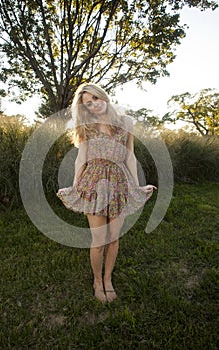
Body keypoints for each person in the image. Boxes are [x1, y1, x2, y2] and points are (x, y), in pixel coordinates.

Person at [57, 83, 157, 303]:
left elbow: (129, 156)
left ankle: (108, 278)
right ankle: (97, 280)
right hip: (94, 182)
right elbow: (81, 159)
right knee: (99, 240)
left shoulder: (126, 123)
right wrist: (75, 186)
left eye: (96, 98)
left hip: (119, 181)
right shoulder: (86, 127)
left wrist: (138, 186)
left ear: (104, 96)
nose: (94, 104)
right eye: (88, 103)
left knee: (113, 238)